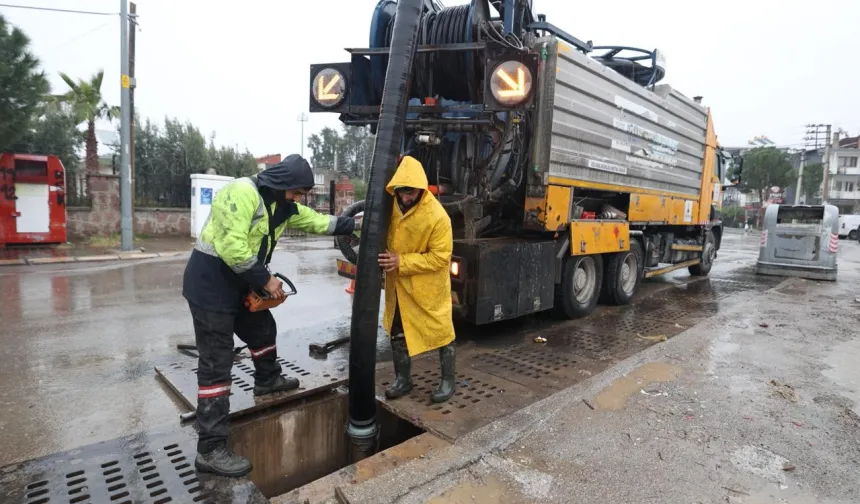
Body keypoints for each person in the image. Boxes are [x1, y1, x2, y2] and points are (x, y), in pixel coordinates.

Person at [182, 154, 356, 478]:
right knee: (216, 365)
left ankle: (267, 381)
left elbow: (318, 222)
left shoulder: (283, 206)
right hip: (209, 286)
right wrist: (266, 280)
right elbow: (232, 247)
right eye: (298, 192)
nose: (300, 199)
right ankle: (210, 449)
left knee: (262, 328)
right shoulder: (241, 193)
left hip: (238, 284)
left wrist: (354, 224)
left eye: (303, 194)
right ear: (283, 184)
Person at [378, 155, 456, 404]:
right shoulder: (390, 205)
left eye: (410, 193)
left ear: (421, 189)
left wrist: (402, 262)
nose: (405, 198)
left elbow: (440, 258)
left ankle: (448, 381)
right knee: (397, 331)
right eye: (401, 192)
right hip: (398, 286)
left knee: (442, 332)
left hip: (427, 288)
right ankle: (404, 380)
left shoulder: (438, 217)